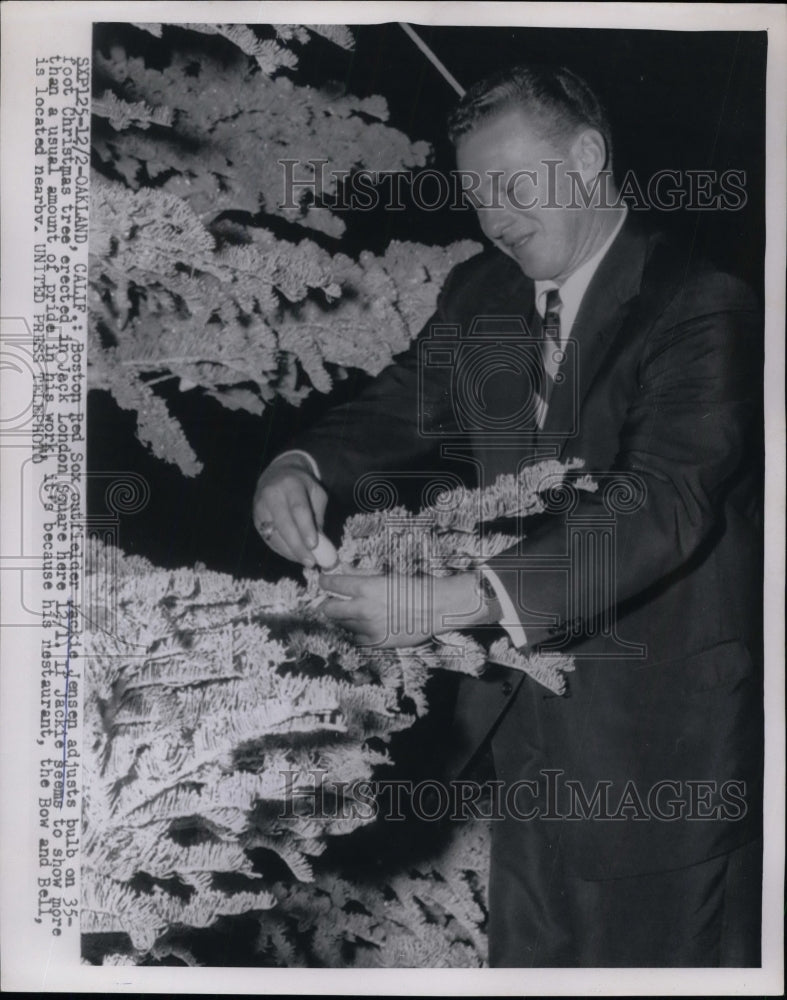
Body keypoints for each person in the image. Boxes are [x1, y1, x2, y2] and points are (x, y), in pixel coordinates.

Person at [253, 64, 763, 967]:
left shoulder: (701, 304)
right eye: (475, 193)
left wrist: (448, 604)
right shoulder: (482, 295)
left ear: (590, 157)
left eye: (513, 185)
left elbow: (658, 505)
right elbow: (398, 406)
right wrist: (297, 467)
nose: (493, 217)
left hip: (656, 761)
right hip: (521, 751)